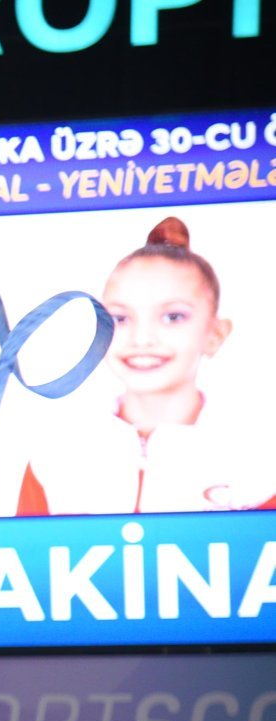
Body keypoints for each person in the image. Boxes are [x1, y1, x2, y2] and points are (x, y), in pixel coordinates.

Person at [17, 216, 275, 515]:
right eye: (121, 318)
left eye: (173, 317)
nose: (142, 338)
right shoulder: (55, 457)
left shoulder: (262, 462)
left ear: (216, 334)